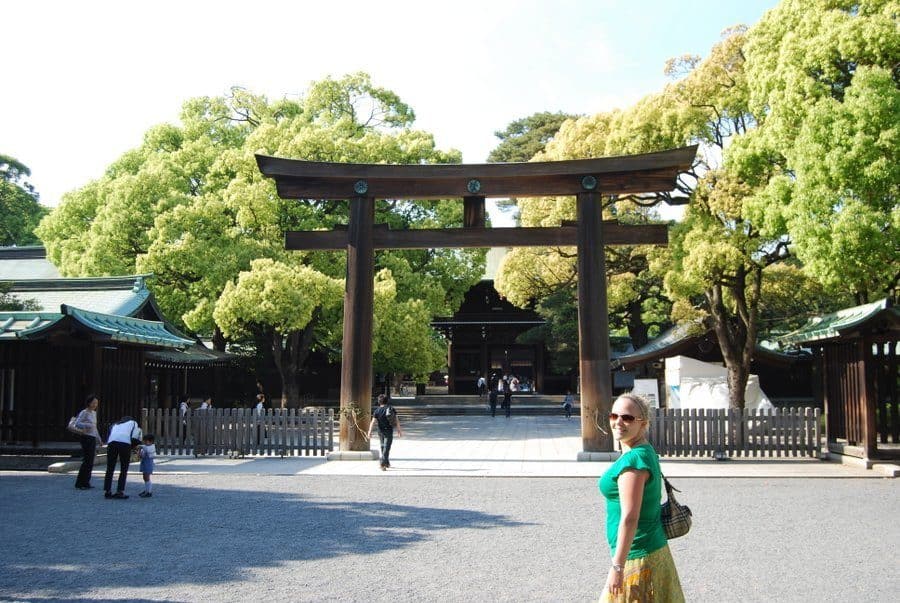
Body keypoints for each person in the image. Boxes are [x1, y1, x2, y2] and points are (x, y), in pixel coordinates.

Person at [599, 394, 684, 602]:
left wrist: (617, 566)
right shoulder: (645, 451)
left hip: (637, 556)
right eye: (614, 415)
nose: (618, 422)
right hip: (651, 550)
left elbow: (630, 516)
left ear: (643, 423)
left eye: (627, 418)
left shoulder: (634, 461)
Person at [104, 415, 141, 500]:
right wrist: (133, 447)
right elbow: (135, 437)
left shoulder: (115, 424)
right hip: (124, 444)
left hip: (111, 443)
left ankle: (107, 491)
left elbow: (110, 434)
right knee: (123, 469)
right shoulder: (133, 423)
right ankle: (119, 491)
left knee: (110, 468)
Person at [74, 394, 104, 490]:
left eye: (96, 403)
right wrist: (86, 425)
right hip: (85, 437)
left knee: (90, 460)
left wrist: (99, 439)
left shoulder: (94, 413)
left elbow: (95, 427)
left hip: (92, 437)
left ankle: (86, 481)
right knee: (87, 460)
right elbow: (77, 423)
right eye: (94, 402)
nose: (95, 404)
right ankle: (80, 482)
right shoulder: (84, 412)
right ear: (89, 403)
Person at [367, 394, 402, 471]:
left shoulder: (377, 410)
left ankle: (386, 462)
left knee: (383, 446)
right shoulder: (391, 409)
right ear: (387, 401)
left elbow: (373, 422)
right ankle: (383, 463)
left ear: (379, 402)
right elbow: (396, 420)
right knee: (386, 447)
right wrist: (399, 430)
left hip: (380, 431)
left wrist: (369, 431)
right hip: (389, 431)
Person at [138, 433, 156, 498]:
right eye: (144, 441)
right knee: (144, 477)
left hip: (148, 464)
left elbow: (148, 451)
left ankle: (149, 491)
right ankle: (146, 490)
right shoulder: (145, 447)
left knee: (147, 477)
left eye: (146, 441)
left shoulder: (152, 447)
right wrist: (139, 451)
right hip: (144, 463)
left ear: (151, 441)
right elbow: (141, 456)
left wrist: (142, 446)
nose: (145, 442)